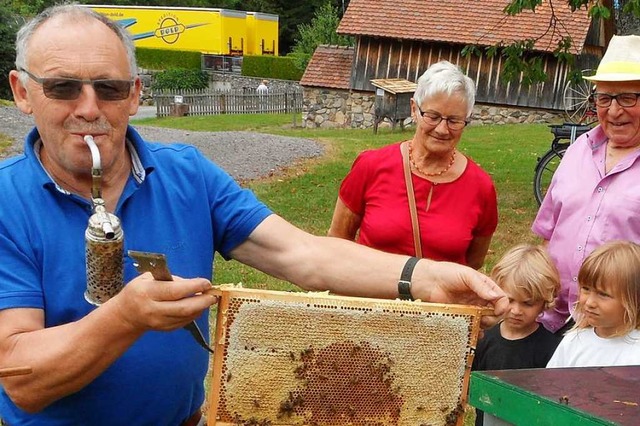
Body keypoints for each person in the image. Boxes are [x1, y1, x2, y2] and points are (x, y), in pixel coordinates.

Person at [0, 5, 508, 425]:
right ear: (22, 92)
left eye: (108, 89)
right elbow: (20, 376)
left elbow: (300, 253)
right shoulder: (6, 201)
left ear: (134, 95)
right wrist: (125, 317)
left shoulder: (188, 175)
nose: (89, 107)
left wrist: (424, 277)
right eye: (63, 87)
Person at [328, 61, 498, 269]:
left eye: (454, 121)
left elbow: (473, 263)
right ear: (414, 110)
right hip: (371, 298)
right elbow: (337, 242)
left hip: (439, 302)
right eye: (433, 117)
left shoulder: (480, 187)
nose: (442, 129)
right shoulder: (371, 166)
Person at [533, 34, 640, 333]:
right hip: (550, 319)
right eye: (605, 98)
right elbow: (548, 234)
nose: (614, 111)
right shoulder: (580, 148)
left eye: (628, 98)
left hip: (618, 333)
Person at [472, 244, 562, 426]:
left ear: (544, 301)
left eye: (528, 303)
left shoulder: (552, 348)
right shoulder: (482, 338)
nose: (516, 310)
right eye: (510, 299)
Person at [547, 241, 640, 367]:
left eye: (603, 294)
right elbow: (552, 383)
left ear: (633, 299)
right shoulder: (573, 341)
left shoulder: (635, 353)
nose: (589, 302)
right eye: (586, 289)